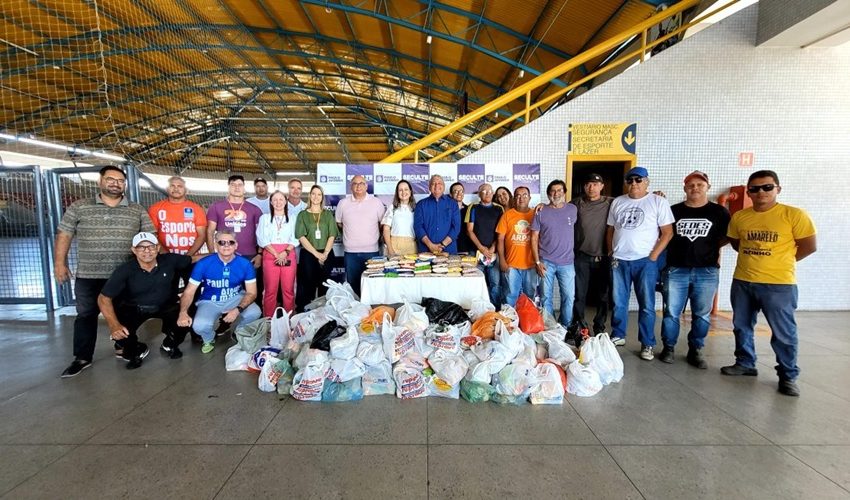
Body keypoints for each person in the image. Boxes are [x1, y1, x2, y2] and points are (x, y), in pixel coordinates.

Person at [723, 170, 817, 397]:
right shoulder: (740, 217)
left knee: (783, 332)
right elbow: (737, 244)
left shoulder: (793, 215)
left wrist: (780, 262)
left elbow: (808, 246)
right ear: (749, 192)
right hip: (744, 280)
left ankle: (788, 375)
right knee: (741, 325)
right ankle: (745, 363)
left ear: (778, 189)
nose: (760, 192)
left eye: (767, 187)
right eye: (754, 189)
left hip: (779, 284)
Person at [56, 166, 156, 378]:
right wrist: (59, 263)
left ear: (125, 184)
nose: (115, 183)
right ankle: (82, 357)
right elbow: (64, 235)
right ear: (100, 181)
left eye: (120, 180)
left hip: (124, 275)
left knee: (124, 314)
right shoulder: (80, 206)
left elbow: (151, 238)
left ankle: (123, 347)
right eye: (110, 179)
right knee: (86, 315)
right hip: (89, 274)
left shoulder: (136, 209)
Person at [659, 171, 731, 367]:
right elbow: (663, 234)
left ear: (708, 187)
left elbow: (728, 236)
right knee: (671, 312)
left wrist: (711, 247)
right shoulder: (673, 211)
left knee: (701, 314)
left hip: (706, 271)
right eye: (691, 185)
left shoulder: (719, 212)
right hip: (676, 270)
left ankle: (696, 349)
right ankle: (669, 347)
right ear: (685, 188)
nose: (695, 188)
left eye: (700, 184)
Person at [606, 166, 674, 361]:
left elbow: (668, 232)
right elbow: (610, 229)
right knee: (619, 301)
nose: (634, 183)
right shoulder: (618, 202)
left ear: (647, 182)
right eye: (630, 180)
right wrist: (611, 251)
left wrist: (653, 256)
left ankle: (647, 343)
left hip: (645, 261)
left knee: (646, 305)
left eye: (638, 180)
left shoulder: (657, 201)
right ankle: (618, 335)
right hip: (620, 260)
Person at [97, 232, 194, 368]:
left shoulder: (169, 260)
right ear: (133, 250)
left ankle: (170, 343)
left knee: (186, 320)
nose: (147, 251)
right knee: (122, 335)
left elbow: (193, 259)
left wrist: (223, 255)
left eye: (151, 247)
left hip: (165, 305)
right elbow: (103, 298)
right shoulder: (124, 270)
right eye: (141, 247)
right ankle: (137, 350)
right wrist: (114, 325)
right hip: (134, 308)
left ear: (158, 248)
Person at [177, 230, 262, 353]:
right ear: (216, 245)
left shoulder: (245, 264)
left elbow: (252, 293)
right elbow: (189, 291)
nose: (226, 246)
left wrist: (237, 310)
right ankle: (209, 338)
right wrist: (183, 312)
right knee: (199, 326)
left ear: (236, 245)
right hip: (210, 300)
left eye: (230, 242)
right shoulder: (203, 264)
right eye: (222, 242)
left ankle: (239, 332)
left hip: (235, 297)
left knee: (254, 312)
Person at [207, 175, 264, 304]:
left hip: (250, 256)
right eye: (233, 184)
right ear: (228, 187)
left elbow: (261, 234)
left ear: (244, 188)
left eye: (240, 185)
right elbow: (210, 231)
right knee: (226, 289)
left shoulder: (254, 209)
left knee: (253, 290)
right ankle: (227, 319)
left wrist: (260, 254)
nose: (237, 187)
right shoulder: (217, 207)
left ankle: (254, 318)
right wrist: (212, 254)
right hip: (225, 255)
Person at [571, 173, 614, 337]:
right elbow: (558, 208)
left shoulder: (612, 202)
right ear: (584, 187)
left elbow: (634, 202)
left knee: (603, 295)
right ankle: (580, 324)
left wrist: (656, 195)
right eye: (588, 184)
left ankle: (600, 325)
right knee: (579, 294)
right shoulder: (576, 203)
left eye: (595, 184)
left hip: (604, 257)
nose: (591, 187)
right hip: (582, 256)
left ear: (602, 186)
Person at [531, 180, 578, 331]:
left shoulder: (572, 209)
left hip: (567, 263)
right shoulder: (540, 211)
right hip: (546, 262)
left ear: (564, 192)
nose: (556, 194)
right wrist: (537, 262)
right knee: (546, 298)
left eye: (559, 190)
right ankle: (550, 328)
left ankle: (564, 327)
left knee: (569, 297)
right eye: (552, 191)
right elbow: (534, 237)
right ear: (548, 193)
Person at [335, 175, 385, 296]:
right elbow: (339, 223)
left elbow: (382, 224)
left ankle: (371, 313)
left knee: (372, 286)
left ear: (366, 186)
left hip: (372, 252)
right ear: (351, 187)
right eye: (355, 183)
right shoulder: (343, 203)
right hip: (350, 253)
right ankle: (356, 313)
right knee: (353, 288)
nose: (358, 186)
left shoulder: (376, 202)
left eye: (361, 183)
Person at [295, 185, 339, 312]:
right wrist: (316, 254)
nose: (316, 197)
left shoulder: (327, 214)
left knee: (324, 285)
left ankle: (323, 315)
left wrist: (324, 253)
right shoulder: (302, 215)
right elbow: (301, 236)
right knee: (308, 286)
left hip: (326, 254)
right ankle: (307, 314)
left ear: (322, 197)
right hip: (309, 255)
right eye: (313, 194)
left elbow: (332, 234)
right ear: (310, 196)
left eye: (319, 194)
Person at [256, 191, 300, 316]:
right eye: (275, 200)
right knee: (270, 289)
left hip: (288, 253)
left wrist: (285, 252)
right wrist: (276, 254)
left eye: (281, 199)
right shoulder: (264, 218)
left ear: (286, 201)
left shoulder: (292, 218)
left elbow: (296, 237)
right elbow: (261, 239)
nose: (278, 202)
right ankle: (269, 318)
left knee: (288, 289)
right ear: (270, 202)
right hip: (270, 254)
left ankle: (289, 316)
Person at [147, 176, 207, 257]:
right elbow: (152, 234)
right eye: (172, 186)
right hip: (164, 257)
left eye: (180, 186)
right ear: (167, 189)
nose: (176, 189)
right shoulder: (155, 208)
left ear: (186, 190)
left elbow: (202, 235)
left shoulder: (197, 209)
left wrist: (187, 257)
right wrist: (167, 256)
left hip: (191, 257)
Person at [497, 186, 537, 306]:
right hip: (511, 265)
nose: (521, 198)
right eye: (518, 196)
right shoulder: (507, 215)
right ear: (514, 199)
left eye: (524, 195)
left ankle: (527, 323)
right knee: (510, 296)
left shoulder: (536, 214)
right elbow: (500, 239)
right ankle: (512, 323)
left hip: (531, 265)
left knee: (530, 296)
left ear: (529, 198)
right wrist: (502, 260)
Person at [466, 183, 505, 307]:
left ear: (493, 193)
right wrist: (481, 248)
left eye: (489, 191)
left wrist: (493, 247)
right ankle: (479, 310)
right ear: (479, 194)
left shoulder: (499, 209)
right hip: (476, 252)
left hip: (494, 252)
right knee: (477, 282)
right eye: (483, 191)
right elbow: (469, 230)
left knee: (495, 283)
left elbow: (501, 230)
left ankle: (495, 310)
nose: (487, 193)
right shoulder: (473, 207)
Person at [413, 175, 460, 254]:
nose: (436, 185)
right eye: (433, 183)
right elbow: (418, 227)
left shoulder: (453, 204)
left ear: (444, 186)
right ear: (429, 187)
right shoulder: (420, 205)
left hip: (449, 251)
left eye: (439, 183)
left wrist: (442, 245)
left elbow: (456, 227)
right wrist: (430, 245)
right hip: (426, 251)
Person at [382, 180, 417, 256]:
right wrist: (390, 249)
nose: (403, 192)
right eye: (400, 190)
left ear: (410, 191)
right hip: (394, 246)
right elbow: (386, 229)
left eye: (406, 189)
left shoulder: (416, 209)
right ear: (397, 193)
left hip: (412, 247)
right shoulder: (392, 208)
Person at [449, 182, 473, 254]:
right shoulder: (446, 210)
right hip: (449, 247)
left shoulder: (469, 209)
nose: (459, 193)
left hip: (465, 248)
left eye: (461, 191)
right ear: (451, 194)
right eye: (455, 191)